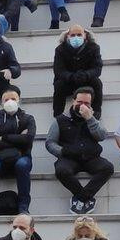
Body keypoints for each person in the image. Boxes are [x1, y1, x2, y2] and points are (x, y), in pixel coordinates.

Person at [46, 85, 112, 216]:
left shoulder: (94, 119)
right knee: (61, 171)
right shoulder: (60, 120)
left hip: (91, 158)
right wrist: (62, 151)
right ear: (73, 101)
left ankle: (81, 198)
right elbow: (50, 142)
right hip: (69, 158)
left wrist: (90, 119)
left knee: (107, 168)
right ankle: (85, 198)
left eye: (86, 103)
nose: (82, 105)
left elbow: (102, 136)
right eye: (80, 102)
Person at [0, 87, 37, 215]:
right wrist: (18, 138)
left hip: (22, 157)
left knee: (22, 165)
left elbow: (28, 139)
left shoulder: (28, 118)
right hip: (0, 158)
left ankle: (23, 206)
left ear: (19, 101)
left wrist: (4, 137)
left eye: (13, 99)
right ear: (1, 102)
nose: (10, 101)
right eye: (6, 99)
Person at [49, 25, 102, 117]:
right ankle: (58, 115)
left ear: (85, 35)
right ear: (67, 36)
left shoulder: (94, 48)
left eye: (79, 35)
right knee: (59, 85)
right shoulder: (60, 49)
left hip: (86, 81)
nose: (76, 37)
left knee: (97, 83)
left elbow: (97, 68)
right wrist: (71, 76)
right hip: (68, 81)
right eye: (73, 35)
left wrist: (86, 75)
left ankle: (96, 112)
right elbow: (58, 70)